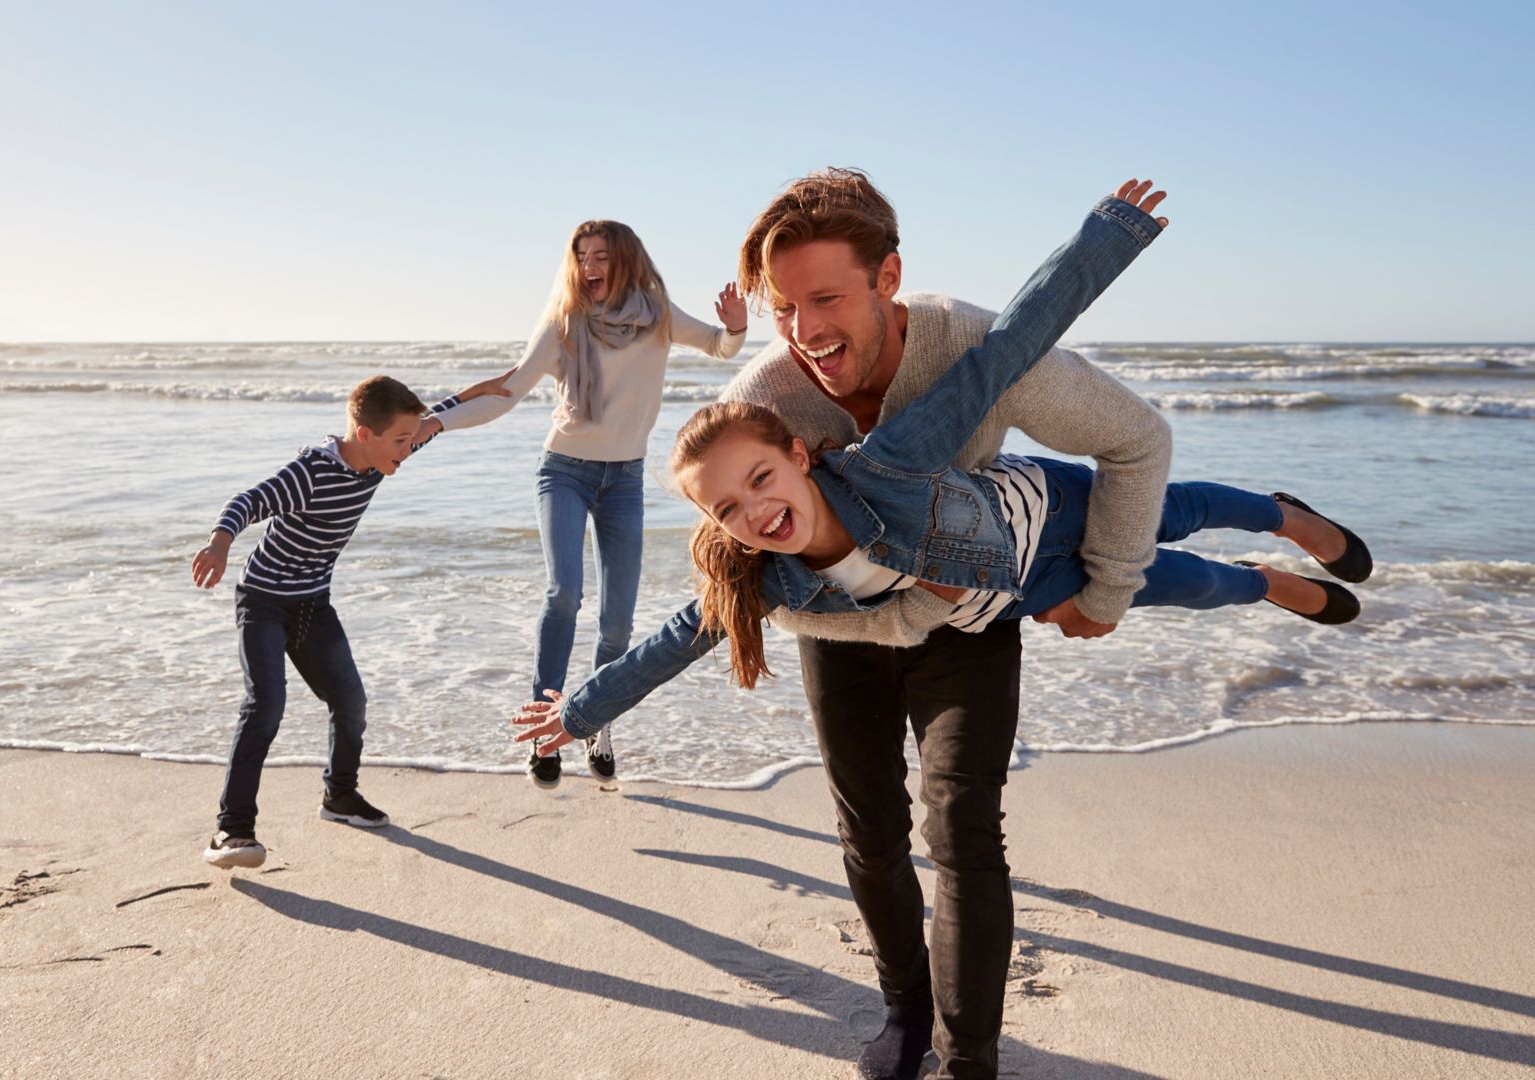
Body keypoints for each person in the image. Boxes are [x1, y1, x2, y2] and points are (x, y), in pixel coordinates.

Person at [522, 177, 1360, 1080]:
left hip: (1025, 541)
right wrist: (579, 713)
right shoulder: (761, 467)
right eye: (784, 309)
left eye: (826, 299)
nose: (804, 330)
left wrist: (1108, 234)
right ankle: (905, 1013)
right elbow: (681, 633)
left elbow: (1014, 351)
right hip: (916, 620)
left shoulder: (900, 442)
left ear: (887, 279)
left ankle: (970, 1057)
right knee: (868, 833)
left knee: (1157, 543)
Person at [430, 219, 748, 787]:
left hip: (624, 479)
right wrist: (436, 423)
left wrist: (736, 327)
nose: (589, 266)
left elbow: (720, 349)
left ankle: (597, 723)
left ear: (623, 260)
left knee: (618, 623)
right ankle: (541, 731)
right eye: (581, 256)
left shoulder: (658, 316)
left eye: (600, 255)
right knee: (565, 592)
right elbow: (508, 392)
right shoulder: (564, 325)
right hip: (565, 472)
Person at [190, 371, 511, 870]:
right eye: (401, 442)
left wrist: (483, 390)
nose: (408, 450)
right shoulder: (311, 472)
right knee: (266, 705)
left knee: (350, 700)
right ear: (366, 435)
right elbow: (248, 501)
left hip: (313, 605)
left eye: (409, 440)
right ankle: (231, 831)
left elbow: (435, 420)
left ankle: (339, 798)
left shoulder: (382, 455)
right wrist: (219, 542)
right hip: (264, 601)